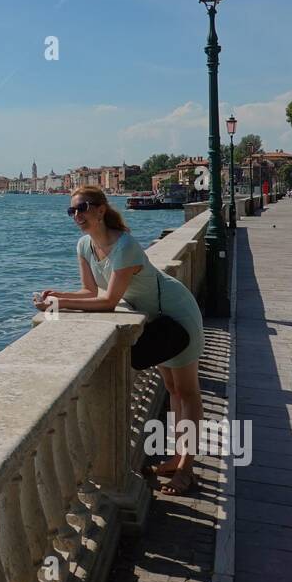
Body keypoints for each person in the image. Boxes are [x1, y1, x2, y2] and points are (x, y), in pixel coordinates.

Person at [35, 186, 205, 495]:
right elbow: (89, 292)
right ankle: (177, 457)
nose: (77, 215)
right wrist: (56, 294)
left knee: (187, 392)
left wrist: (61, 306)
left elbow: (110, 301)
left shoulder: (124, 246)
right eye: (72, 211)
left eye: (83, 208)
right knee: (172, 390)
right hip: (155, 322)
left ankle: (186, 469)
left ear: (101, 210)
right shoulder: (84, 246)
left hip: (177, 317)